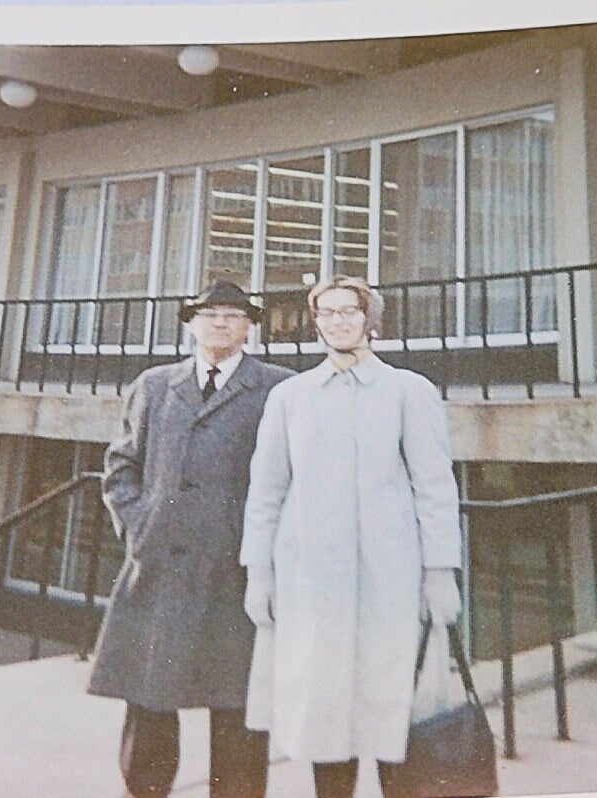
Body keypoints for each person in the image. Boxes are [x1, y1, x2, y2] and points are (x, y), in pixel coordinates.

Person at [240, 275, 463, 798]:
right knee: (326, 714)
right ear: (315, 323)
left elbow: (434, 488)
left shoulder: (409, 390)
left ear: (371, 320)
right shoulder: (290, 397)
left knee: (391, 709)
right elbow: (266, 490)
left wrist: (439, 574)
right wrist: (259, 573)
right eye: (327, 313)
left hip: (390, 577)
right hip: (312, 580)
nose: (338, 322)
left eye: (350, 311)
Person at [88, 280, 293, 798]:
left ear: (249, 325)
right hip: (161, 567)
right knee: (151, 696)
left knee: (238, 707)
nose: (220, 322)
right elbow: (120, 465)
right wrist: (142, 523)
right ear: (191, 322)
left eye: (232, 314)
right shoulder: (155, 385)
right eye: (209, 314)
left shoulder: (278, 388)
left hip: (236, 570)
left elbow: (299, 475)